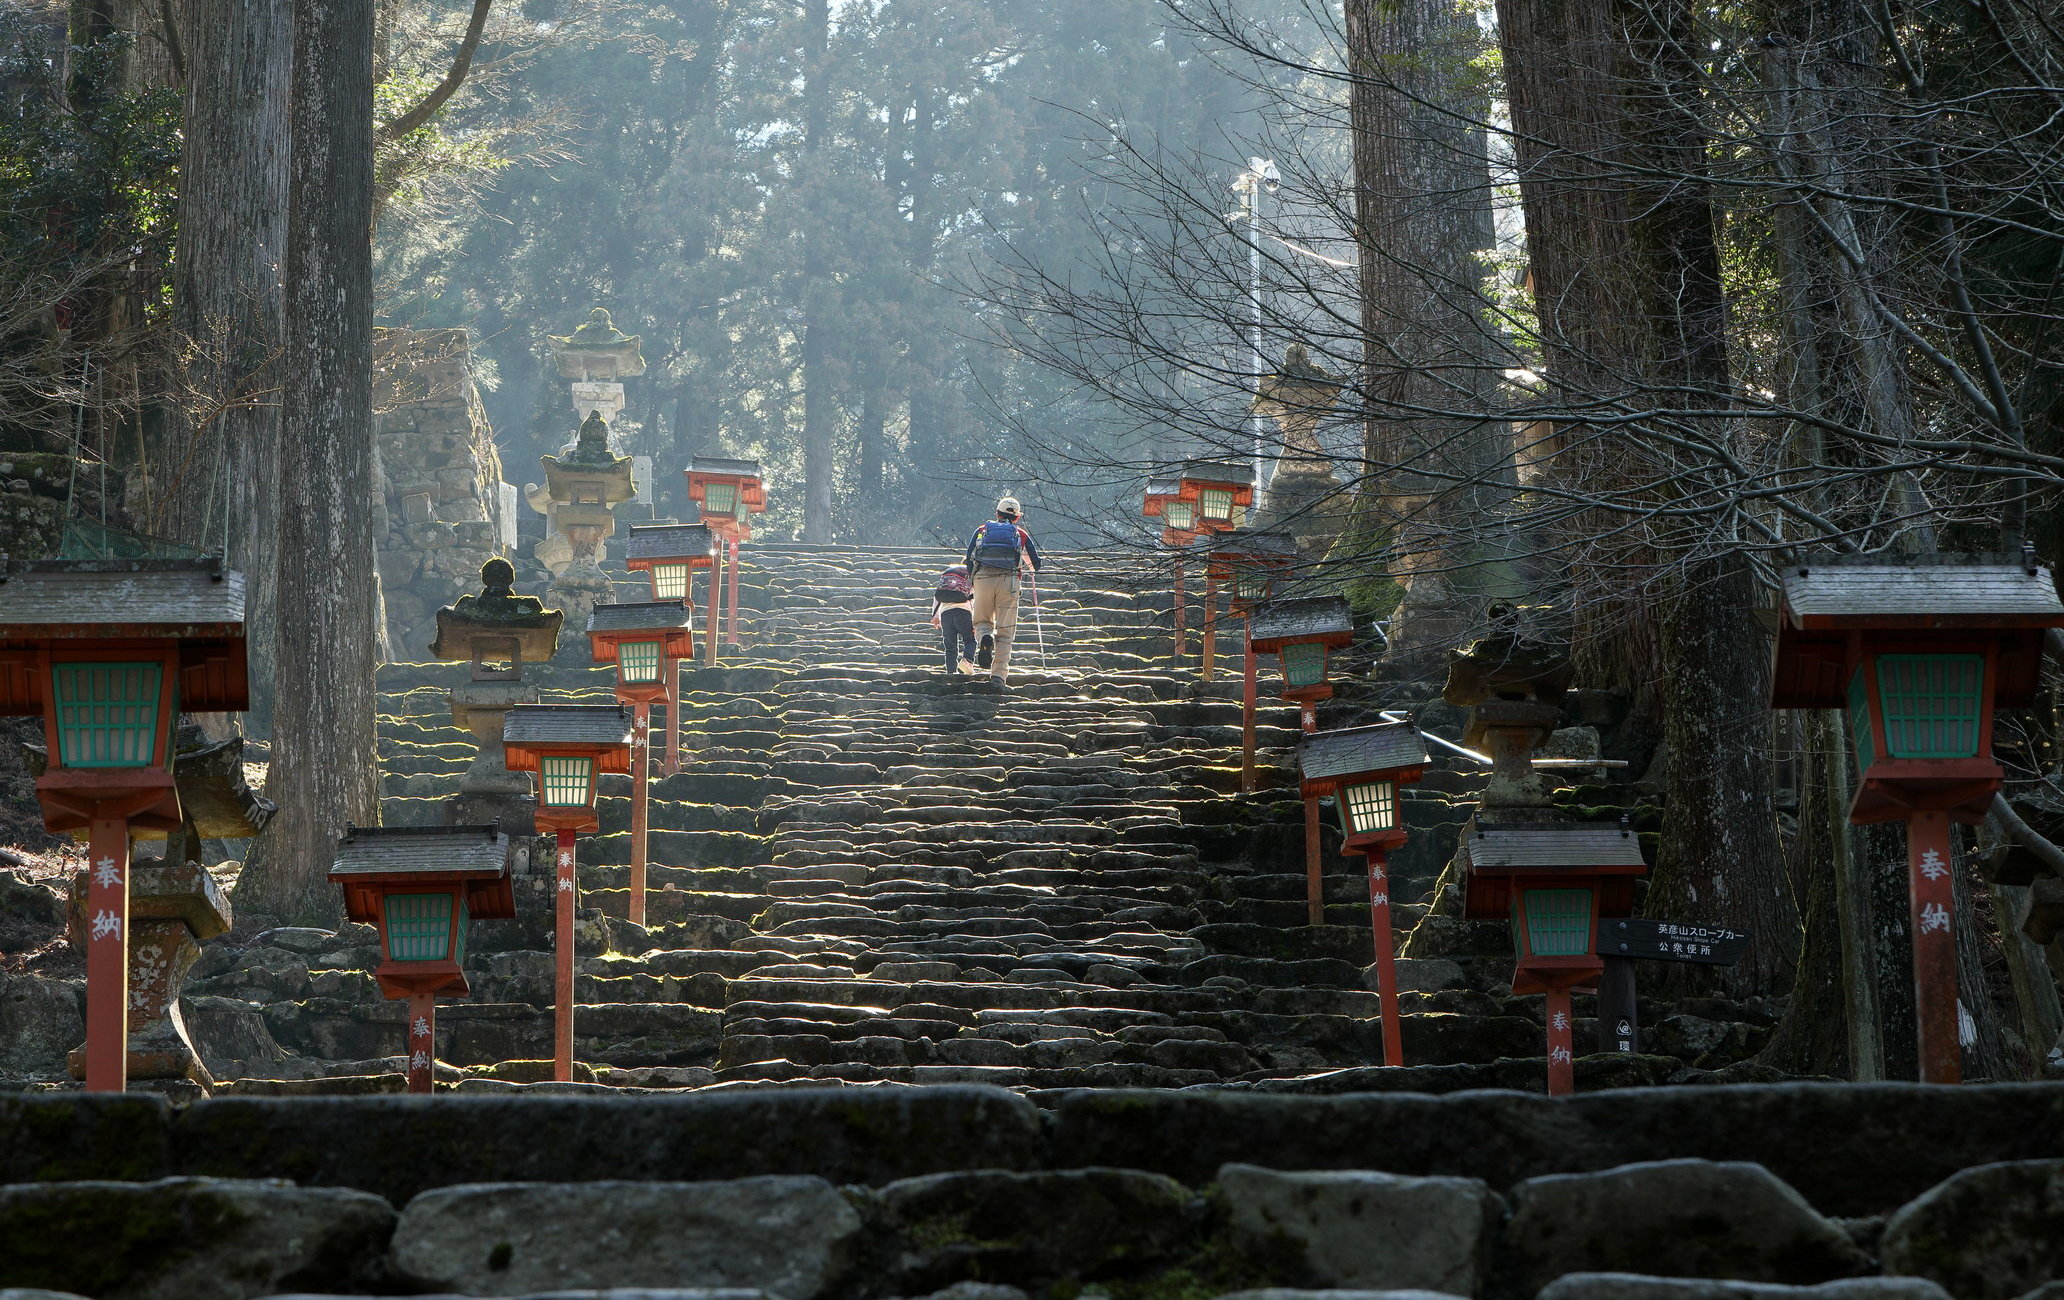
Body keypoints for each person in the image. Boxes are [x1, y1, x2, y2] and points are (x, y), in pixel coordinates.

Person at [962, 495, 1042, 684]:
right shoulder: (1020, 534)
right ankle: (998, 676)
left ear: (996, 513)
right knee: (1005, 632)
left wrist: (973, 581)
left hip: (983, 579)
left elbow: (968, 557)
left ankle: (985, 638)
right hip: (1010, 582)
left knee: (981, 621)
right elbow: (1035, 565)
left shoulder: (982, 530)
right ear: (1016, 518)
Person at [930, 563, 977, 675]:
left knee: (950, 646)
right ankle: (967, 661)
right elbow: (976, 599)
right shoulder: (971, 576)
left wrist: (935, 617)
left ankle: (950, 672)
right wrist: (976, 622)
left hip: (945, 614)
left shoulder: (948, 576)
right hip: (963, 612)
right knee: (970, 640)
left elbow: (937, 597)